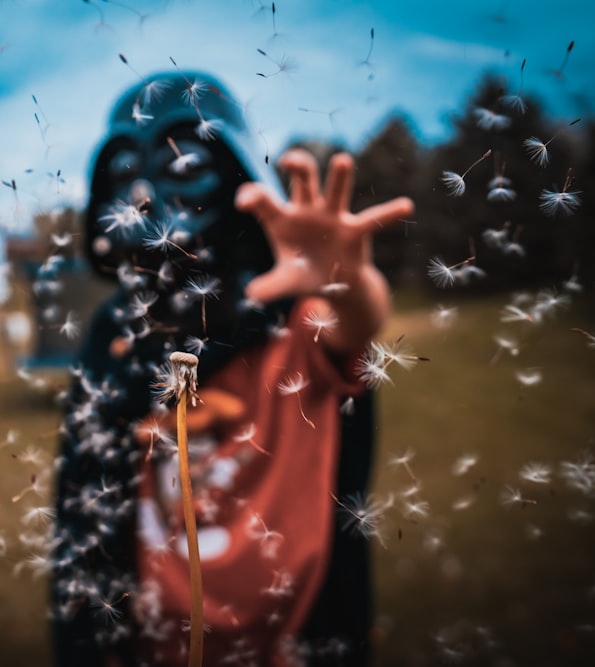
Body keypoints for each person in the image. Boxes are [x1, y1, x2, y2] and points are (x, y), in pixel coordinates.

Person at [50, 70, 414, 667]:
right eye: (122, 174)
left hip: (286, 645)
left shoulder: (293, 325)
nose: (143, 197)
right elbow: (83, 517)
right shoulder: (116, 338)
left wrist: (348, 282)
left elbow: (356, 325)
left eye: (185, 165)